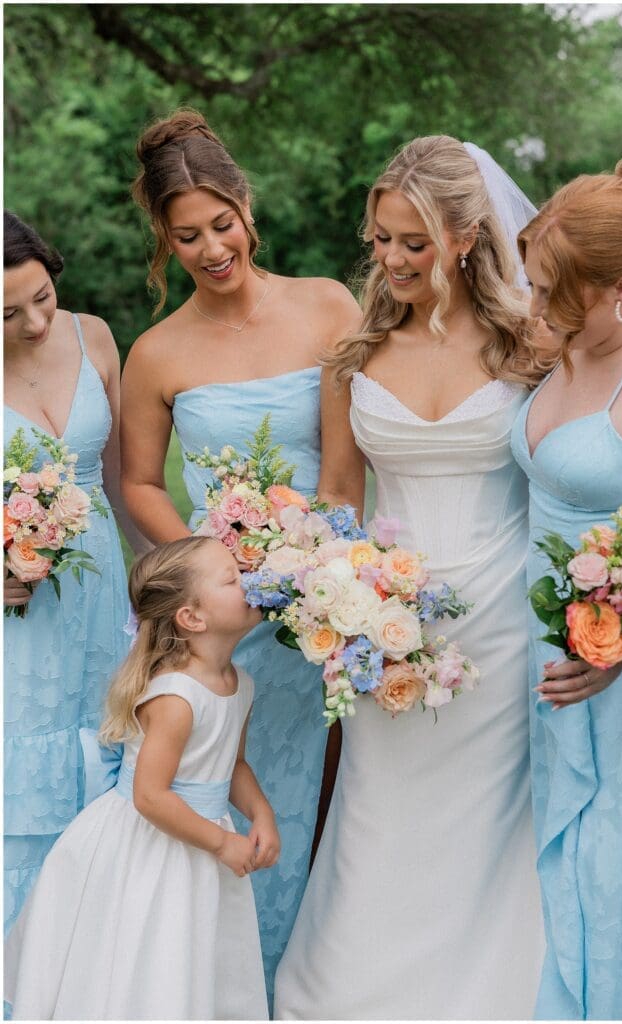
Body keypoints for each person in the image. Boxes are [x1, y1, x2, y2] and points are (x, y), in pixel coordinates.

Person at [274, 135, 554, 1019]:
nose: (390, 259)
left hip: (504, 626)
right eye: (381, 239)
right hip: (378, 631)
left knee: (484, 831)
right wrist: (334, 595)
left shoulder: (532, 343)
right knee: (378, 815)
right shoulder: (354, 355)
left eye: (412, 242)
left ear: (468, 237)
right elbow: (337, 496)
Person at [120, 109, 360, 1002]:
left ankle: (295, 987)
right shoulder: (156, 353)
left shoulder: (329, 304)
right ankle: (212, 992)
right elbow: (141, 482)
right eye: (188, 235)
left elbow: (343, 471)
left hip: (320, 598)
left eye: (222, 223)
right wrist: (209, 555)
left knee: (307, 798)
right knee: (211, 790)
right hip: (220, 613)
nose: (212, 247)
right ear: (164, 238)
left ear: (246, 206)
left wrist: (314, 572)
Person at [509, 161, 622, 1020]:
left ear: (620, 288)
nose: (535, 312)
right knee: (568, 858)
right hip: (552, 657)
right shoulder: (572, 334)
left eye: (551, 294)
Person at [5, 536, 277, 1020]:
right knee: (147, 946)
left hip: (200, 836)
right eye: (232, 578)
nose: (249, 582)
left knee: (189, 948)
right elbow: (150, 797)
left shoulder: (240, 683)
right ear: (192, 617)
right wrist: (219, 843)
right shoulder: (175, 698)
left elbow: (232, 764)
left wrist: (261, 814)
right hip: (153, 844)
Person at [3, 212, 141, 933]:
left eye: (43, 297)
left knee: (111, 780)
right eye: (7, 313)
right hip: (16, 622)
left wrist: (160, 590)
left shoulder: (94, 337)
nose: (34, 323)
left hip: (102, 604)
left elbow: (121, 488)